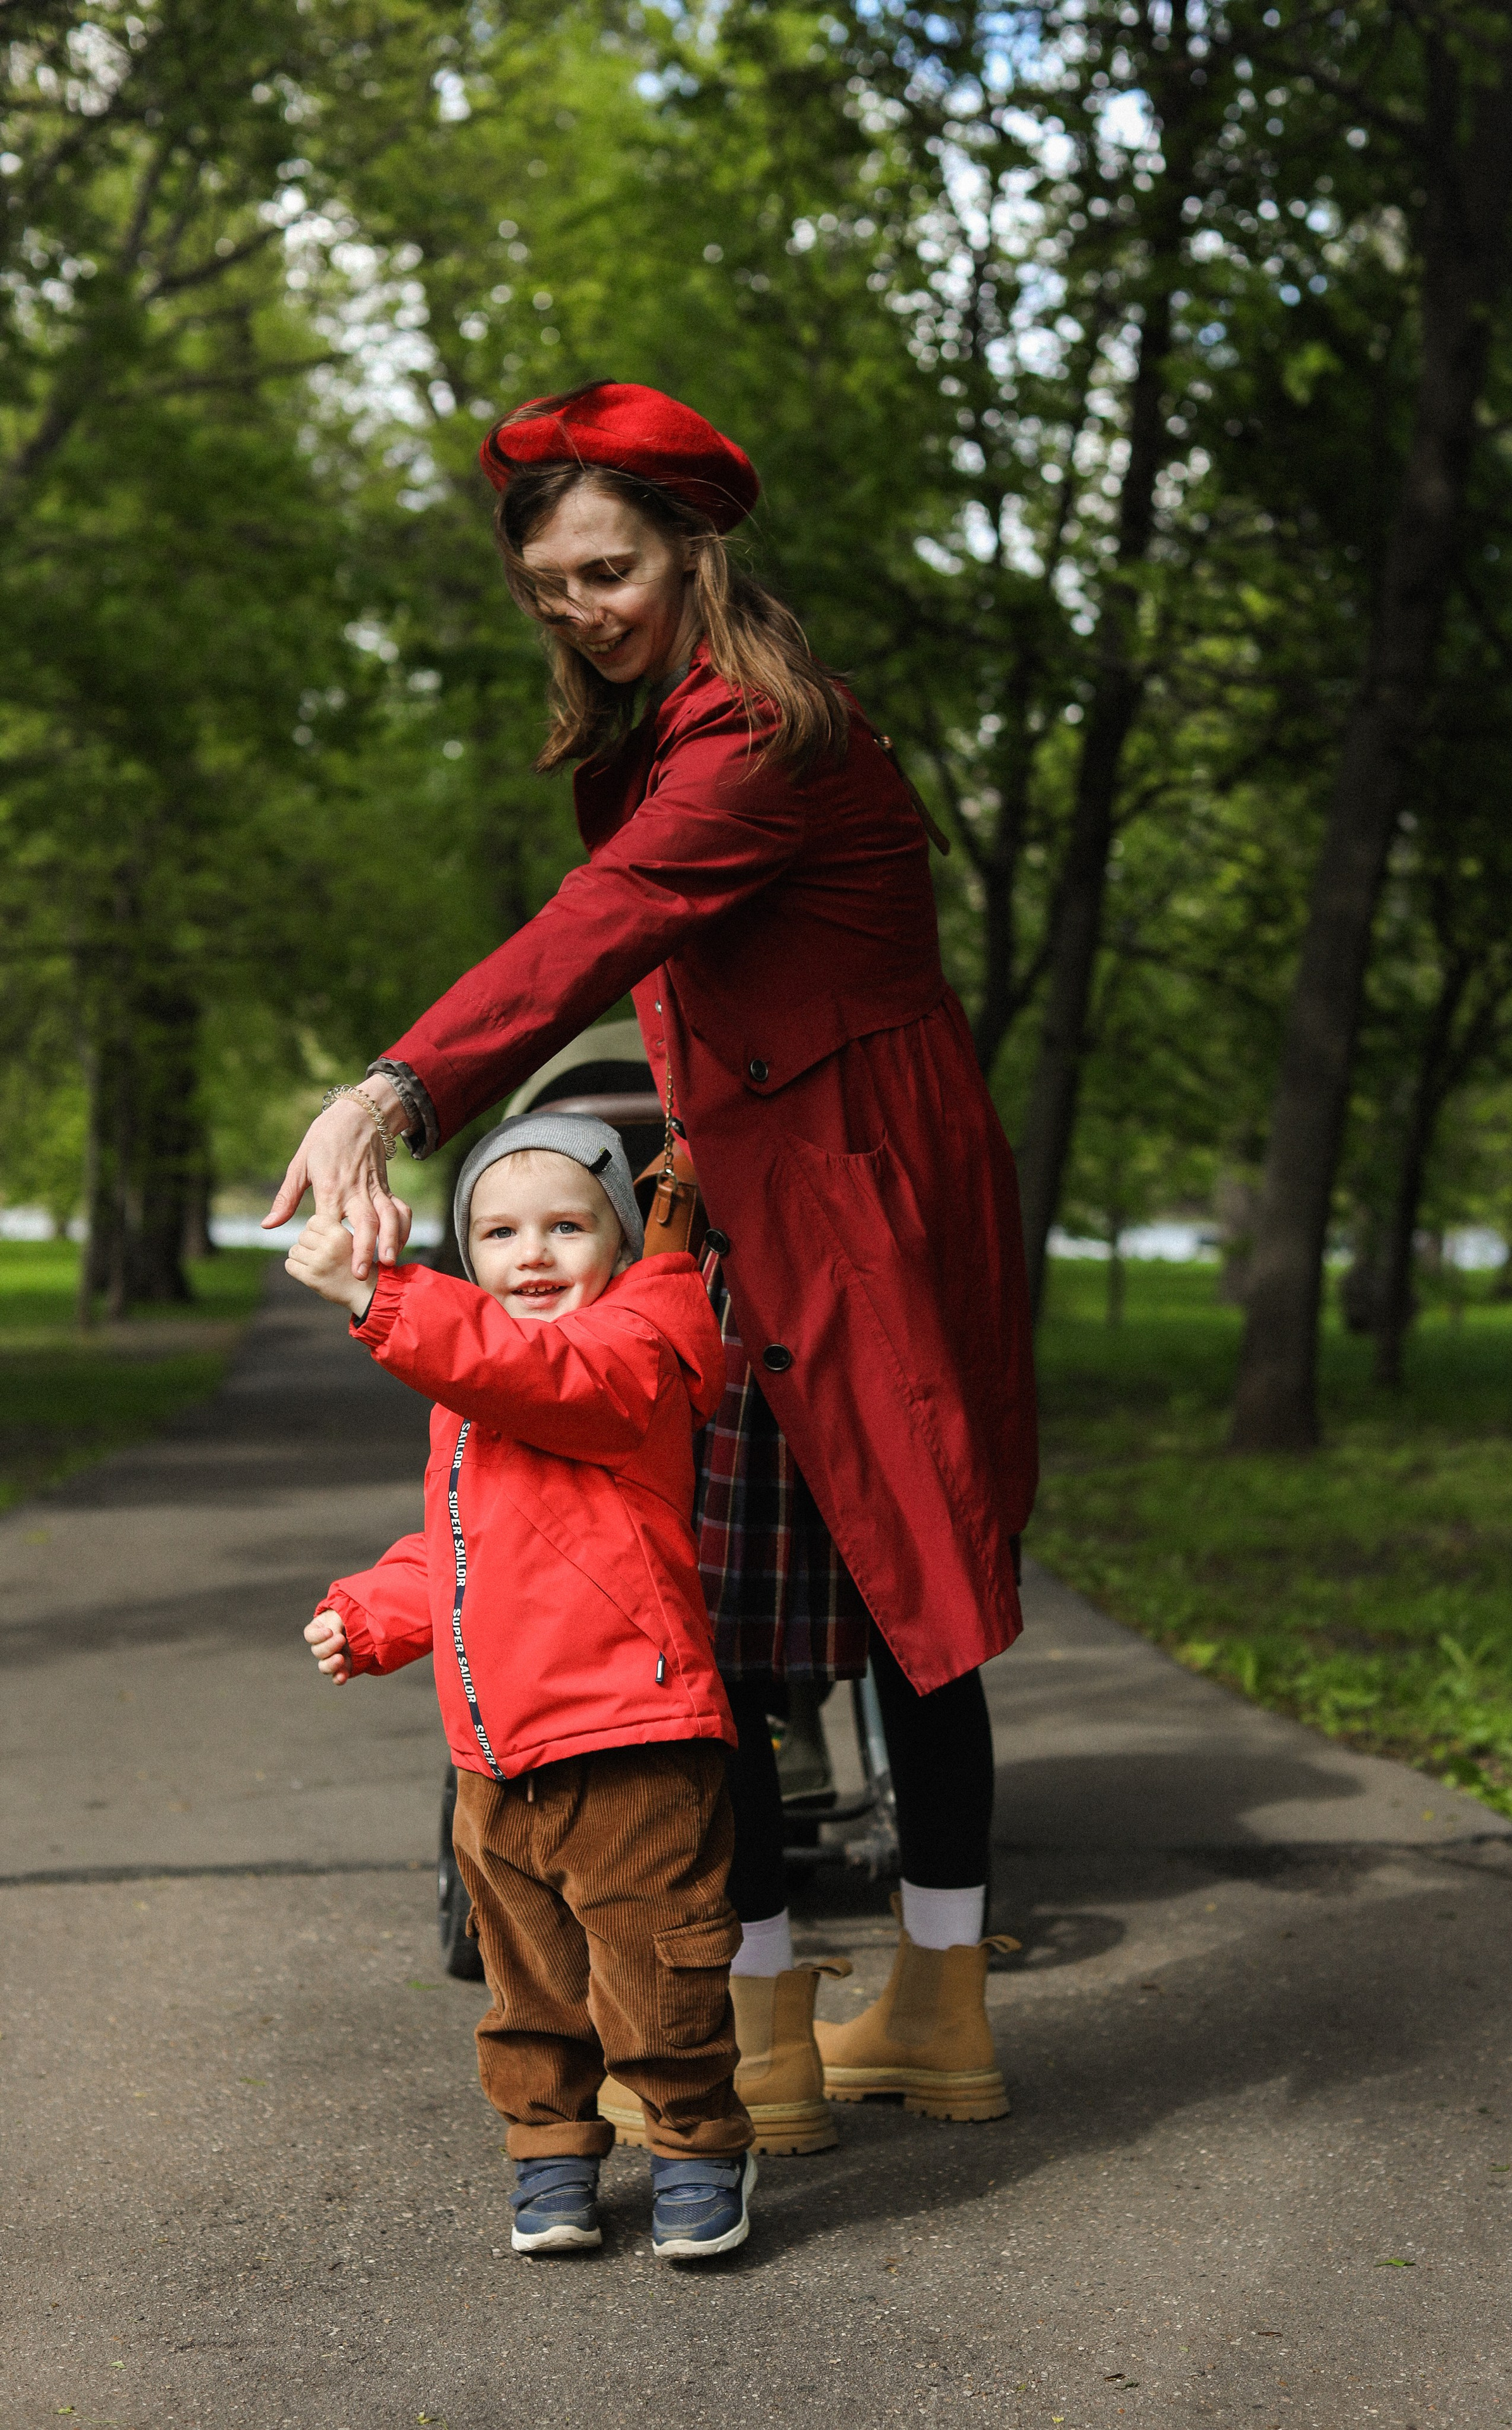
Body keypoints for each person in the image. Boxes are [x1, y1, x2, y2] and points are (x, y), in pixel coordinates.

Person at [268, 379, 1039, 2152]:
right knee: (753, 1609)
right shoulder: (673, 734)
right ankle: (783, 2024)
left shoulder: (765, 739)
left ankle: (911, 2010)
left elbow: (606, 928)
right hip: (769, 1186)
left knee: (883, 1601)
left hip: (851, 1199)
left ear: (699, 548)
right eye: (549, 586)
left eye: (607, 570)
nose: (580, 608)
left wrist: (396, 1090)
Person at [288, 1109, 759, 2262]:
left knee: (658, 1971)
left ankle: (698, 2148)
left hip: (630, 1735)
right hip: (496, 1756)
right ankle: (549, 2153)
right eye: (498, 1233)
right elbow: (469, 1544)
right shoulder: (484, 1382)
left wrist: (383, 1299)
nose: (532, 1254)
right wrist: (373, 1611)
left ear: (620, 1239)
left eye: (565, 1225)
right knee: (528, 1982)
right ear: (471, 1255)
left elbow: (554, 1383)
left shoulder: (638, 1346)